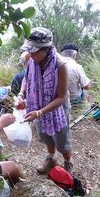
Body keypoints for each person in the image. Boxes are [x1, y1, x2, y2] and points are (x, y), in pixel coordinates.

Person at [18, 27, 73, 173]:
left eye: (35, 51)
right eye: (30, 50)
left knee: (62, 140)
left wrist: (39, 112)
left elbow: (61, 97)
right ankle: (51, 158)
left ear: (47, 49)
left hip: (58, 108)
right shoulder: (32, 59)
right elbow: (26, 77)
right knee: (45, 135)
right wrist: (21, 94)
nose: (31, 54)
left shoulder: (60, 65)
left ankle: (68, 162)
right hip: (38, 104)